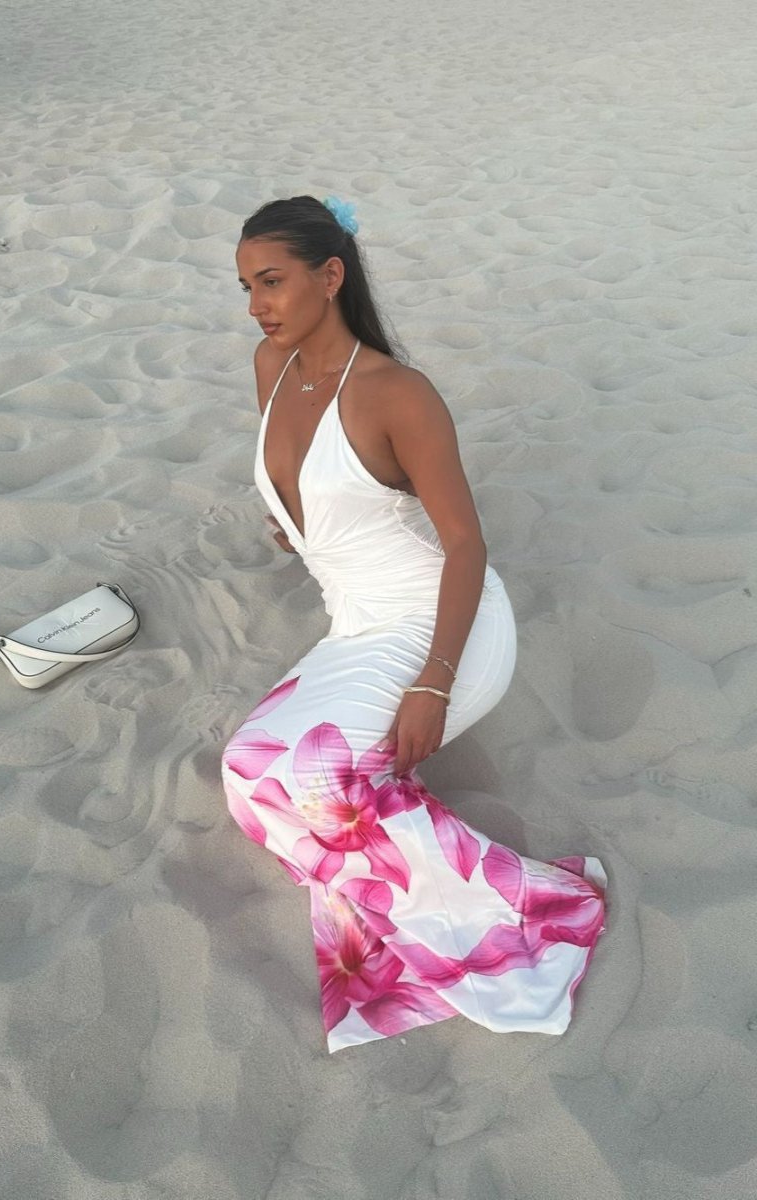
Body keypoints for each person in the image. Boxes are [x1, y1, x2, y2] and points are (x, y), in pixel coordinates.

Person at [222, 195, 605, 1052]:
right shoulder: (271, 366)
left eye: (272, 282)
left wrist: (434, 681)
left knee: (312, 786)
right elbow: (313, 494)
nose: (256, 306)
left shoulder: (397, 393)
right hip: (354, 625)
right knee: (246, 771)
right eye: (247, 287)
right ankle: (409, 875)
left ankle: (538, 910)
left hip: (442, 624)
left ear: (331, 275)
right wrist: (299, 529)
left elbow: (466, 544)